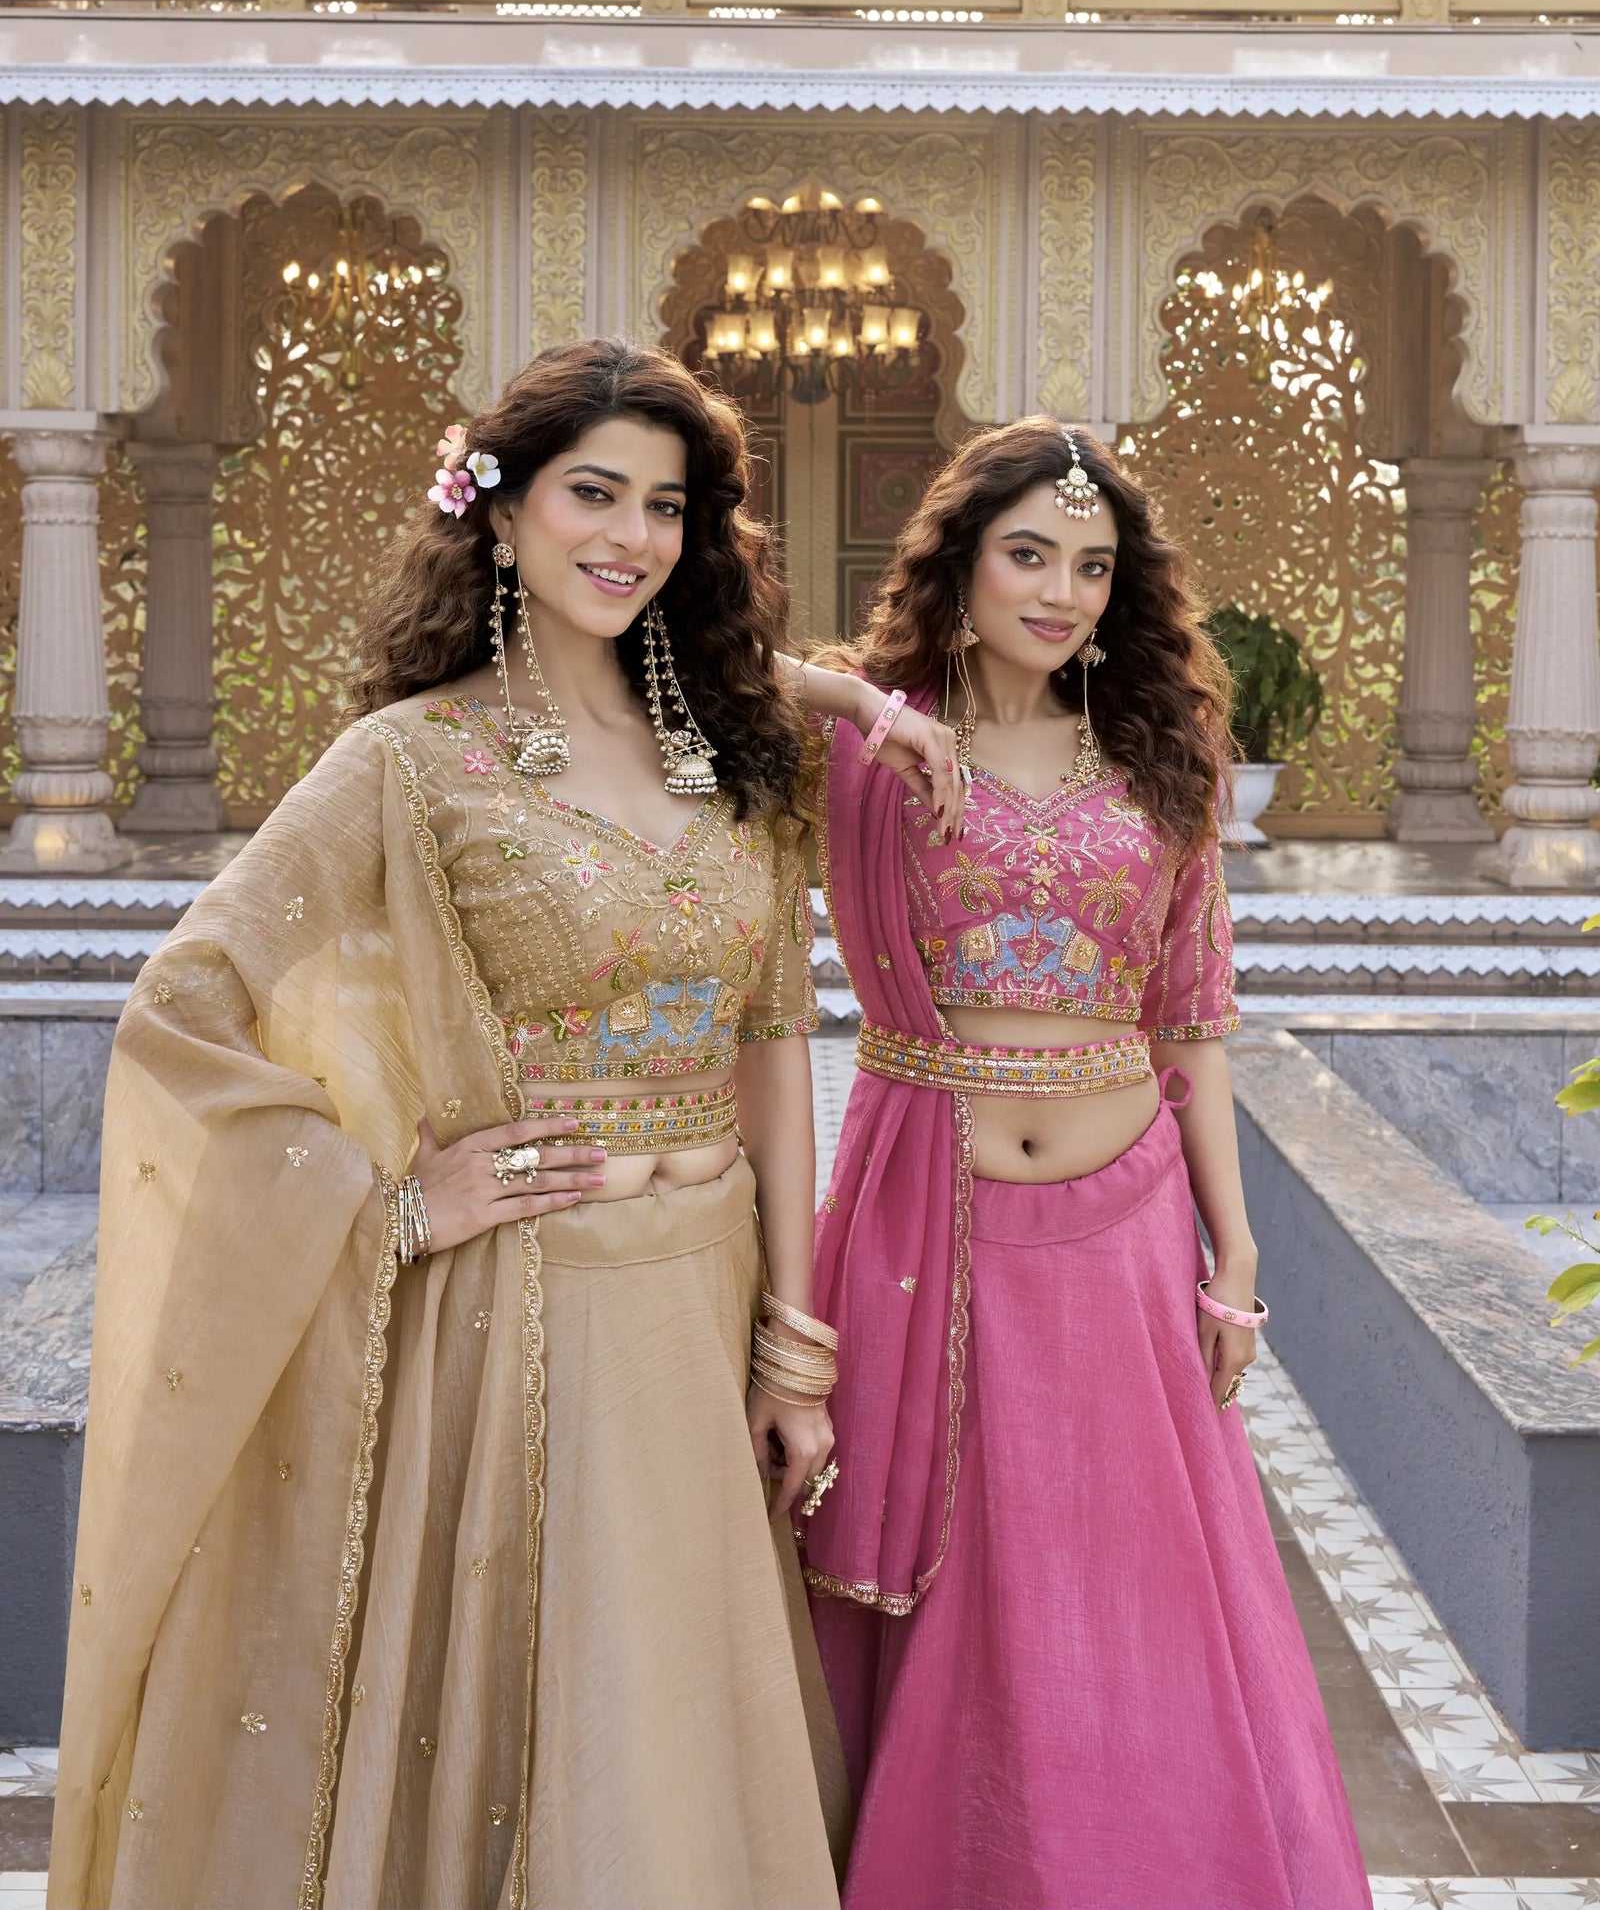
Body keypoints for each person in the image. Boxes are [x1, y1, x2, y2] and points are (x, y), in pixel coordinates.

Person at [49, 340, 854, 1910]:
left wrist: (796, 1349)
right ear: (498, 515)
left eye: (666, 507)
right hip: (527, 1316)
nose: (630, 538)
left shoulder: (729, 756)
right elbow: (183, 1004)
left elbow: (775, 1047)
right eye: (591, 495)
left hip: (701, 1301)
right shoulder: (410, 760)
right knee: (554, 1741)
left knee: (685, 1735)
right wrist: (388, 1206)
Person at [793, 418, 1371, 1910]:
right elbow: (695, 664)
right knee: (953, 1577)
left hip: (1123, 1228)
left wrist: (1234, 1251)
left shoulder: (1159, 759)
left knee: (1119, 1580)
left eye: (1094, 568)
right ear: (961, 562)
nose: (1061, 593)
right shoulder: (868, 745)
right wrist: (865, 697)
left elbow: (1193, 1018)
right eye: (1030, 554)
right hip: (927, 1214)